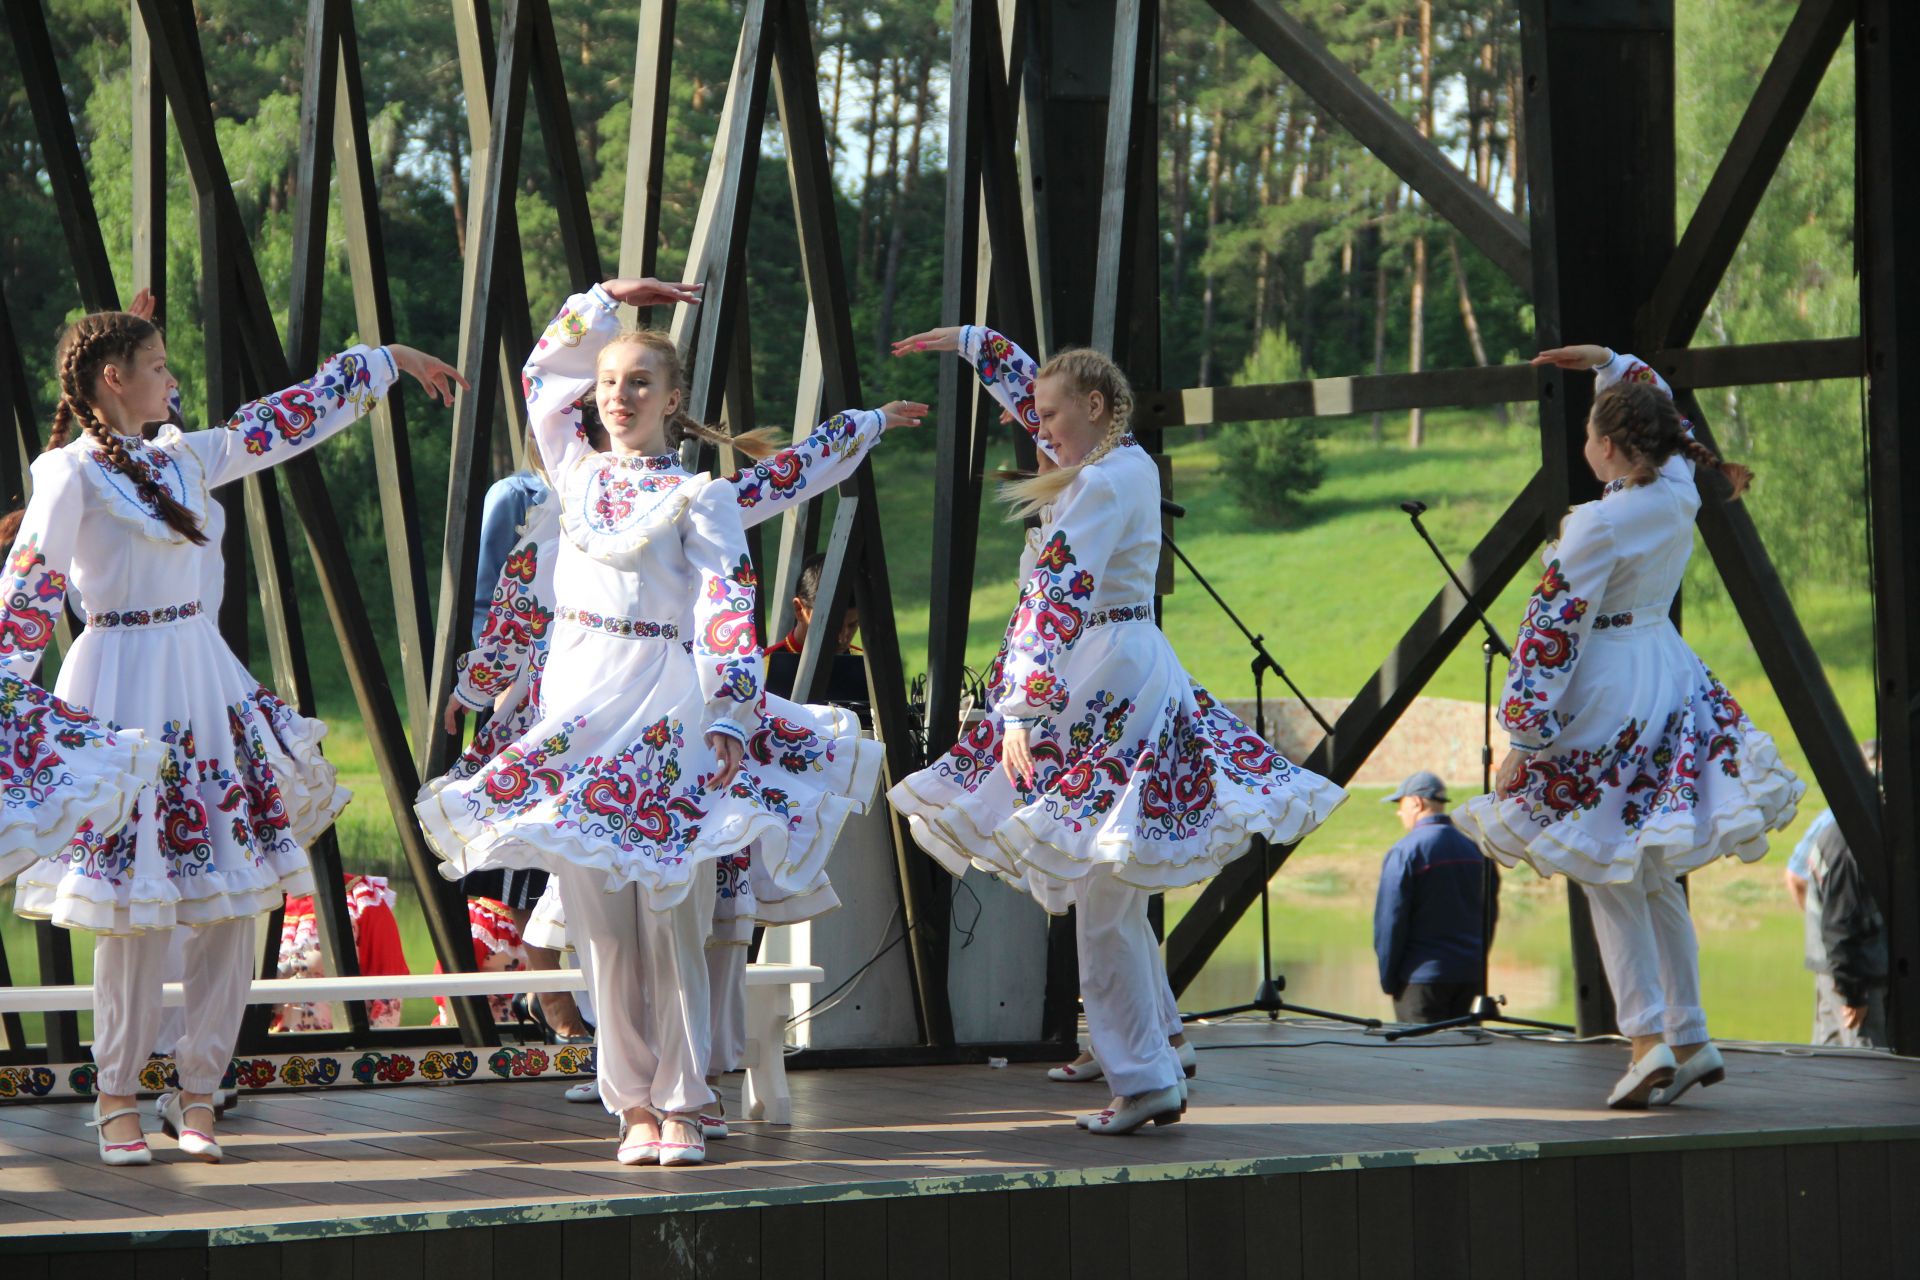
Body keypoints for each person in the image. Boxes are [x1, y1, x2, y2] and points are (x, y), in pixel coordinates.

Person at [418, 276, 911, 1167]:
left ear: (673, 400)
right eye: (609, 382)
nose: (619, 396)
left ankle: (683, 1100)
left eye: (641, 383)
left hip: (664, 708)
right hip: (578, 708)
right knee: (602, 922)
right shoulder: (567, 474)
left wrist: (728, 711)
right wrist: (603, 298)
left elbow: (728, 604)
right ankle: (633, 1107)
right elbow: (541, 370)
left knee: (671, 911)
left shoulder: (701, 499)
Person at [2, 293, 462, 1165]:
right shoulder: (69, 474)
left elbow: (281, 422)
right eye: (160, 366)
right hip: (120, 687)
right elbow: (28, 588)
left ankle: (201, 1091)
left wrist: (387, 360)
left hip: (204, 686)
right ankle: (116, 1097)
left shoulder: (187, 457)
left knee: (233, 900)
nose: (173, 380)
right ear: (116, 380)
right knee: (133, 909)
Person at [888, 323, 1346, 1136]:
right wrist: (976, 346)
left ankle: (1142, 1077)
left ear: (1096, 407)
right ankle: (1152, 1049)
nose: (1039, 430)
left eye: (1054, 417)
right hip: (1118, 665)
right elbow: (1045, 408)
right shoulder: (1118, 463)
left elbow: (1054, 592)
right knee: (1111, 885)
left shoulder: (1100, 486)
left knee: (1102, 889)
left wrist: (1023, 708)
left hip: (1100, 676)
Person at [1455, 343, 1802, 1110]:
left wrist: (1524, 740)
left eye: (1589, 431)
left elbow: (1550, 630)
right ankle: (1689, 1031)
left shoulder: (1599, 524)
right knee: (1647, 868)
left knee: (1606, 862)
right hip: (1668, 673)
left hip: (1611, 685)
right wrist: (1616, 364)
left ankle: (1646, 1040)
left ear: (1609, 448)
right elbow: (1665, 417)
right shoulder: (1679, 488)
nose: (1584, 444)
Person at [1372, 770, 1498, 1023]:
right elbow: (1490, 915)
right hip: (1470, 976)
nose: (1399, 812)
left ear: (1416, 803)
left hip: (1420, 980)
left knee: (1420, 1058)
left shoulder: (1405, 851)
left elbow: (1390, 922)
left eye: (1401, 805)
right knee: (1462, 1057)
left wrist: (1388, 979)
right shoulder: (1476, 849)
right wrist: (1477, 961)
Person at [1795, 742, 1887, 1047]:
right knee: (1868, 1067)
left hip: (1832, 971)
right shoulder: (1852, 842)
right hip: (1856, 980)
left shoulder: (1838, 827)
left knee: (1829, 1059)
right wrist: (1853, 993)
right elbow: (1839, 926)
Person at [274, 873, 410, 1032]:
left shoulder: (362, 900)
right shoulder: (261, 897)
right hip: (267, 1048)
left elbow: (387, 997)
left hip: (335, 1048)